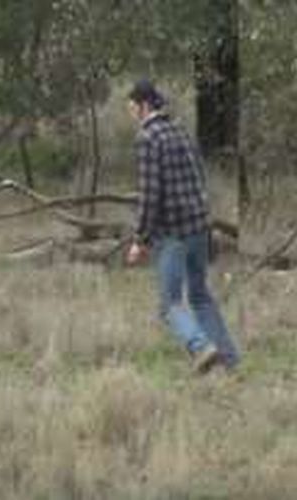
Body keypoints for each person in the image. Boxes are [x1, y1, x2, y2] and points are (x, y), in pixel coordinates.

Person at [125, 78, 240, 373]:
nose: (132, 114)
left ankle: (201, 348)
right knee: (200, 296)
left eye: (133, 107)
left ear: (145, 105)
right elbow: (201, 179)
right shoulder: (181, 131)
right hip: (199, 228)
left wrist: (140, 240)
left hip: (173, 234)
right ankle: (229, 359)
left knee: (170, 305)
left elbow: (150, 195)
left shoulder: (148, 138)